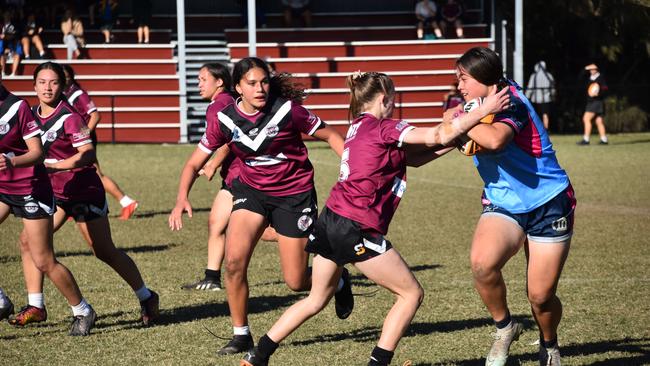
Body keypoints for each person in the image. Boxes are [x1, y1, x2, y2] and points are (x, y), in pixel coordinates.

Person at [240, 71, 509, 366]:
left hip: (331, 221)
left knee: (316, 299)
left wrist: (455, 142)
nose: (393, 105)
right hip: (356, 227)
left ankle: (258, 354)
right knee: (411, 294)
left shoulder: (357, 127)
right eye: (392, 100)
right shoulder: (386, 128)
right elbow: (437, 134)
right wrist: (483, 111)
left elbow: (415, 157)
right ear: (384, 99)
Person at [198, 57, 345, 355]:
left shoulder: (288, 111)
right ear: (237, 87)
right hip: (252, 192)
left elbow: (330, 135)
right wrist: (184, 192)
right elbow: (206, 152)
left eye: (264, 81)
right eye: (251, 83)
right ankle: (241, 334)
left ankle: (339, 279)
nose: (260, 88)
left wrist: (351, 172)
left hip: (294, 195)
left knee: (295, 281)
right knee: (234, 262)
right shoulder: (223, 117)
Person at [12, 62, 159, 329]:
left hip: (84, 190)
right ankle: (36, 305)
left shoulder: (70, 116)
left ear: (62, 85)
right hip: (54, 193)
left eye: (53, 82)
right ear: (33, 86)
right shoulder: (29, 114)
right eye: (42, 82)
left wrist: (56, 165)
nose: (47, 87)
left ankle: (146, 296)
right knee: (27, 242)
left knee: (104, 251)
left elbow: (88, 153)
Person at [454, 47, 575, 366]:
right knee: (482, 264)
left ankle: (549, 344)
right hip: (503, 203)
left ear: (484, 79)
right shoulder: (470, 108)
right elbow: (447, 134)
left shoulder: (514, 103)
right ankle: (505, 328)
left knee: (540, 296)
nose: (460, 87)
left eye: (464, 79)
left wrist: (460, 121)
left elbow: (494, 140)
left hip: (548, 203)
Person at [0, 72, 97, 336]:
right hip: (2, 187)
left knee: (42, 259)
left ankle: (83, 310)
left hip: (31, 188)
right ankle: (2, 301)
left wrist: (12, 161)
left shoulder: (17, 108)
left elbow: (37, 152)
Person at [169, 63, 277, 292]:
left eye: (202, 79)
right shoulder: (226, 102)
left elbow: (231, 139)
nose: (198, 84)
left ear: (219, 82)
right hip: (234, 176)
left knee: (263, 231)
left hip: (244, 177)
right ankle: (211, 277)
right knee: (216, 223)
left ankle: (311, 237)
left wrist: (212, 165)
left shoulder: (220, 105)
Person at [61, 64, 139, 220]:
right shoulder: (65, 94)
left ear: (71, 77)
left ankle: (127, 202)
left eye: (66, 76)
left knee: (95, 173)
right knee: (76, 171)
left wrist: (84, 135)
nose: (64, 79)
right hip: (76, 140)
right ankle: (71, 207)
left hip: (84, 140)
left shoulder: (78, 94)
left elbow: (95, 116)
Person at [577, 63, 608, 145]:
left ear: (597, 69)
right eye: (590, 69)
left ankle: (586, 139)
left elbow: (605, 88)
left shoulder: (600, 77)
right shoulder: (589, 78)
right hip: (592, 102)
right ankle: (604, 139)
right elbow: (579, 78)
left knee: (586, 119)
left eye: (593, 69)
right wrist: (585, 68)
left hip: (596, 102)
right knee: (598, 121)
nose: (591, 70)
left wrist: (598, 94)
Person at [526, 61, 555, 130]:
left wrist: (527, 97)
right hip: (546, 99)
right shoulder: (549, 76)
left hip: (535, 99)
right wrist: (553, 96)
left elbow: (530, 87)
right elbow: (552, 88)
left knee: (536, 115)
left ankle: (537, 130)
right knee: (545, 114)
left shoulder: (534, 76)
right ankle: (546, 129)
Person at [0, 10, 22, 76]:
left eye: (8, 14)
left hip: (13, 44)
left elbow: (16, 34)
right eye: (5, 15)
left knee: (17, 54)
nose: (7, 16)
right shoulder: (1, 24)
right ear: (3, 15)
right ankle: (2, 72)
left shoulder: (15, 24)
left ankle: (13, 73)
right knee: (1, 55)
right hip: (4, 45)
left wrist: (6, 36)